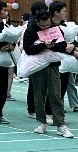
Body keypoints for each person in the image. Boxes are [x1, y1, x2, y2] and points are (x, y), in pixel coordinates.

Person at [23, 10, 75, 138]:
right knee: (39, 95)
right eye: (42, 25)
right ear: (37, 22)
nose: (45, 27)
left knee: (56, 95)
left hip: (53, 66)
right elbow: (28, 49)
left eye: (47, 24)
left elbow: (63, 46)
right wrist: (43, 45)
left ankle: (60, 125)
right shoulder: (30, 30)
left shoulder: (55, 29)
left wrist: (52, 46)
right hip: (37, 67)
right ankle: (41, 122)